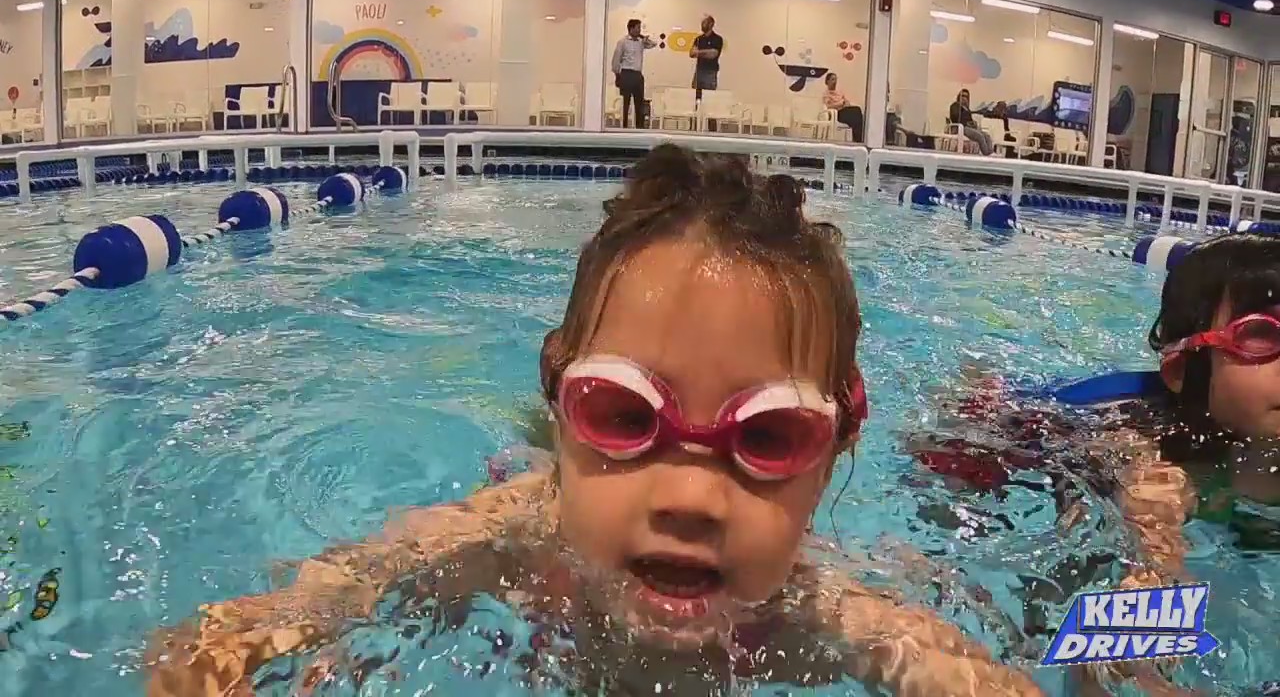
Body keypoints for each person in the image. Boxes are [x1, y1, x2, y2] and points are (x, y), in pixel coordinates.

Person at [144, 144, 1044, 697]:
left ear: (835, 447)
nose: (692, 494)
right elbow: (250, 628)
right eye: (624, 414)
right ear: (562, 398)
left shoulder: (834, 613)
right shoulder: (498, 537)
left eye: (767, 437)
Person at [902, 232, 1280, 696]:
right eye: (1261, 335)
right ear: (1182, 369)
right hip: (1021, 429)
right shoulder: (1150, 459)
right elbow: (1129, 614)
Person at [611, 19, 656, 129]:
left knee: (639, 102)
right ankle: (625, 126)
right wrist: (617, 75)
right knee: (625, 102)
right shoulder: (622, 42)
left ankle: (639, 127)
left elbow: (654, 44)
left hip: (637, 75)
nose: (639, 30)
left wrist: (643, 37)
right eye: (638, 28)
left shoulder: (641, 42)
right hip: (626, 73)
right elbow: (616, 60)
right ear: (631, 29)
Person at [689, 15, 723, 131]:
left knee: (710, 102)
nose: (702, 25)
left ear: (711, 24)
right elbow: (691, 53)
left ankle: (712, 131)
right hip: (699, 72)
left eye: (705, 23)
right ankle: (693, 128)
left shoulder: (717, 39)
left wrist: (699, 52)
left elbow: (714, 54)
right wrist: (704, 52)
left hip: (710, 73)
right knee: (695, 100)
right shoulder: (699, 39)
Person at [947, 89, 994, 155]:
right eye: (962, 96)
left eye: (966, 97)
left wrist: (973, 123)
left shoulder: (967, 108)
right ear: (959, 96)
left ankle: (991, 152)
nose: (964, 98)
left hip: (969, 127)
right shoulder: (955, 106)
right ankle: (986, 153)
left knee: (987, 136)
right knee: (979, 136)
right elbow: (955, 117)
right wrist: (966, 123)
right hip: (961, 127)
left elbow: (969, 119)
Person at [822, 73, 864, 143]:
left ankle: (858, 138)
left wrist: (845, 103)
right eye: (832, 79)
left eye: (835, 79)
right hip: (837, 114)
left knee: (857, 112)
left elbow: (846, 102)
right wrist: (840, 104)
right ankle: (858, 139)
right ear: (827, 81)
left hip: (844, 110)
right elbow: (828, 106)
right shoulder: (826, 94)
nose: (835, 82)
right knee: (856, 113)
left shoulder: (839, 92)